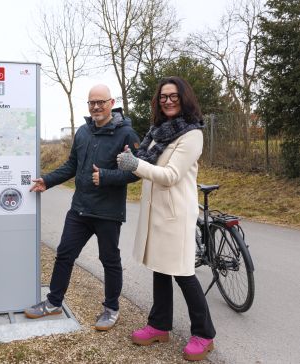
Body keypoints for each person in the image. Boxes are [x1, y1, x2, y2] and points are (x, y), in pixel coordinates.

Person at [24, 84, 140, 331]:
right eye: (91, 103)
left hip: (108, 212)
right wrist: (48, 180)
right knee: (64, 254)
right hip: (80, 209)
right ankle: (54, 302)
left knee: (109, 260)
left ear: (111, 102)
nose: (96, 107)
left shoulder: (126, 134)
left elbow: (136, 171)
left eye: (101, 102)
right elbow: (72, 165)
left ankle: (111, 309)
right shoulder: (83, 132)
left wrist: (107, 176)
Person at [116, 76, 216, 361]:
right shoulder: (158, 131)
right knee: (160, 269)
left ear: (184, 99)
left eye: (173, 96)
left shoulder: (191, 134)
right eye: (163, 97)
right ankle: (159, 325)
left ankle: (204, 333)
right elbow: (145, 165)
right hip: (155, 212)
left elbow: (171, 175)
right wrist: (132, 160)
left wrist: (137, 164)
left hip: (176, 214)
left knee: (183, 273)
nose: (168, 100)